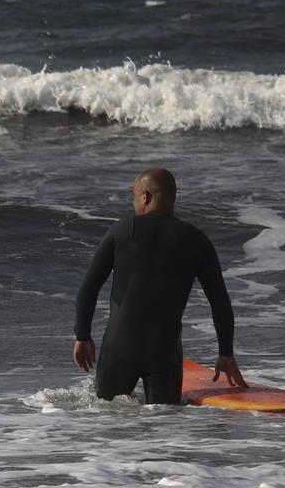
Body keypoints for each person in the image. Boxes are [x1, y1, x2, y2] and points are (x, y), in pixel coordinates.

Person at [73, 166, 244, 404]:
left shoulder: (123, 230)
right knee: (165, 432)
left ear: (145, 196)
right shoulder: (197, 239)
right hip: (165, 353)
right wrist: (226, 353)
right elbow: (220, 302)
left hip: (120, 349)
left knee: (108, 425)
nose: (134, 203)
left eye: (134, 196)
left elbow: (88, 288)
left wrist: (83, 336)